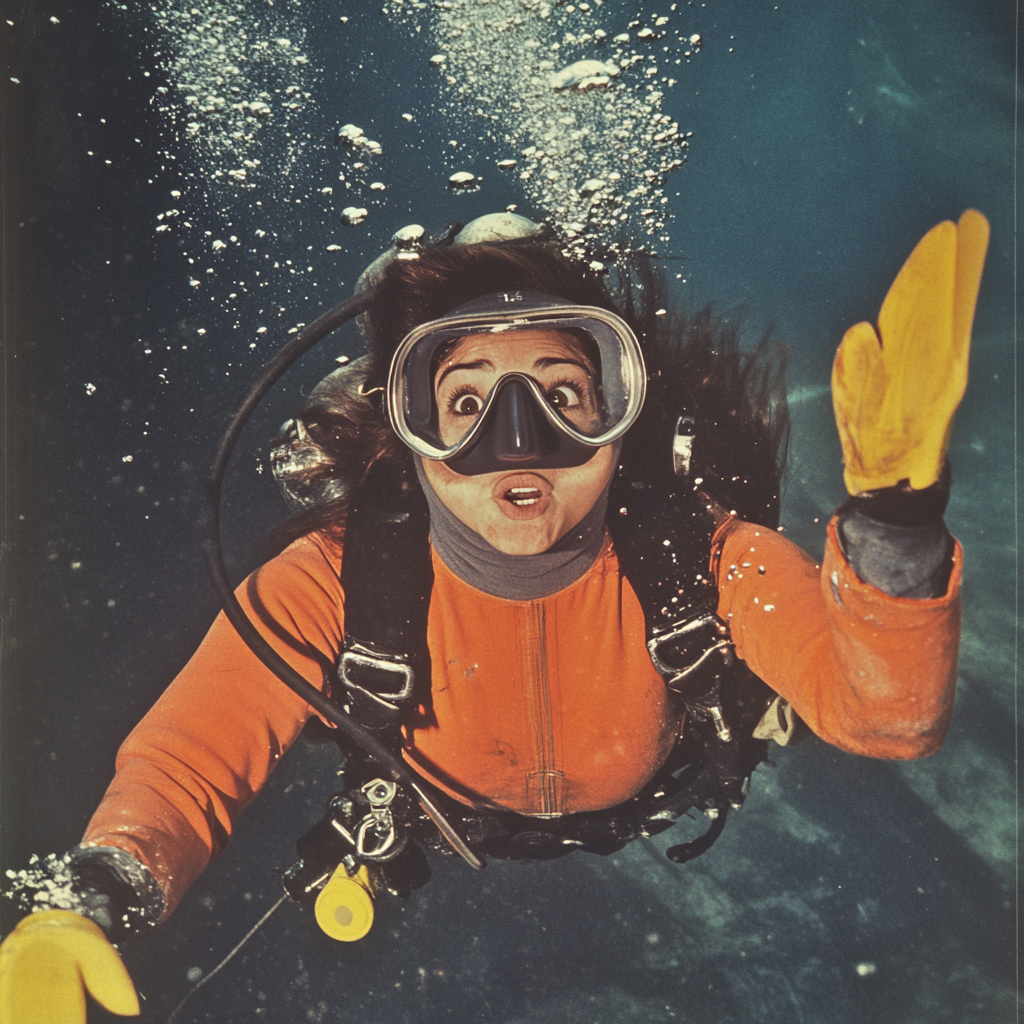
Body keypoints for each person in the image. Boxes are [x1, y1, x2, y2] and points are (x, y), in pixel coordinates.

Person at [0, 210, 989, 1022]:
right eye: (464, 403)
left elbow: (885, 716)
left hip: (667, 785)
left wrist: (894, 524)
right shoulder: (335, 580)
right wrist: (82, 902)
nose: (518, 440)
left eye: (564, 394)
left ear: (618, 415)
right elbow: (186, 763)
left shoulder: (696, 551)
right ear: (408, 429)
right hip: (437, 825)